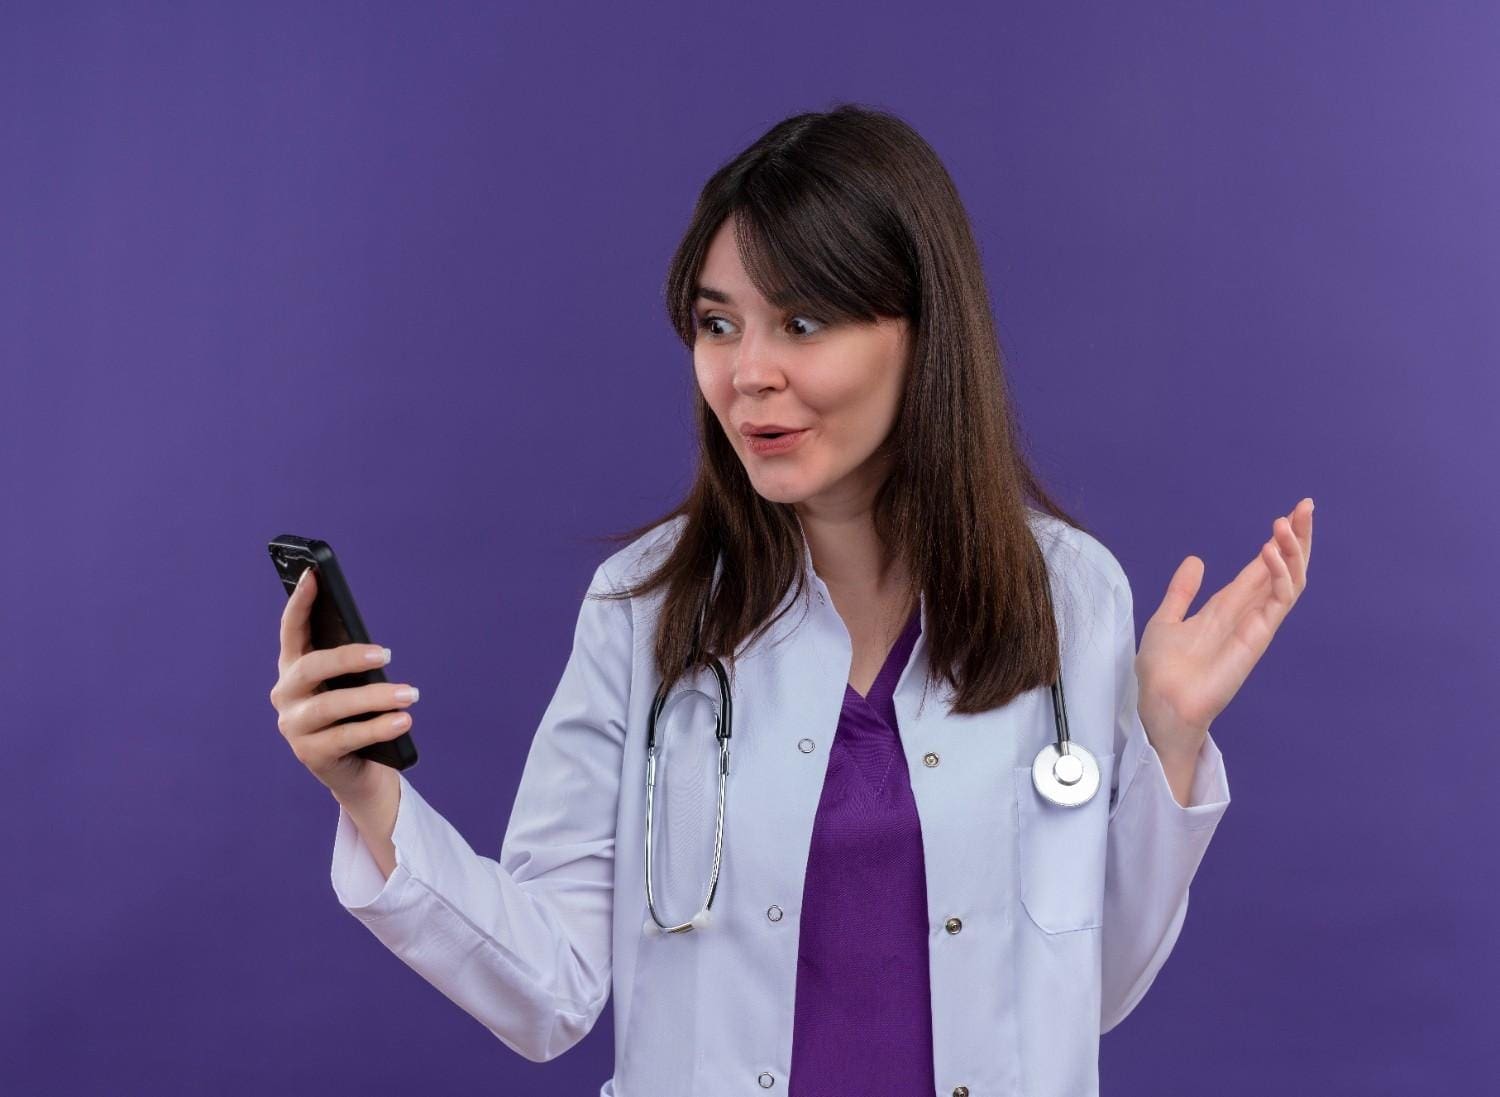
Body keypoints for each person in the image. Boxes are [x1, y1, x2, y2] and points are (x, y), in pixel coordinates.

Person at [269, 103, 1313, 1097]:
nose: (748, 373)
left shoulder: (1069, 597)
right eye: (718, 324)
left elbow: (1092, 987)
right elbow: (553, 986)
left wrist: (1167, 738)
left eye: (802, 321)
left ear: (921, 330)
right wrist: (370, 794)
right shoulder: (645, 606)